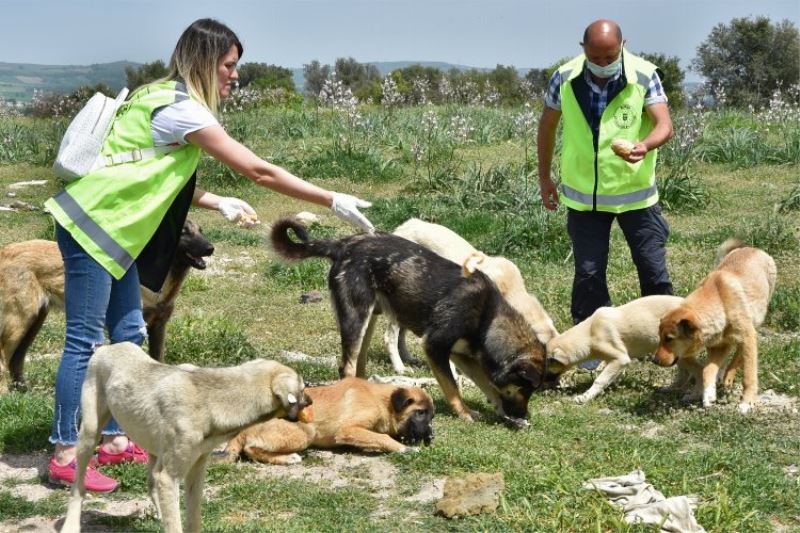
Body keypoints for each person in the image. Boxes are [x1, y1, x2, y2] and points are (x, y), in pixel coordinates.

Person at [43, 18, 374, 492]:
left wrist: (217, 201)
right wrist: (331, 199)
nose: (234, 75)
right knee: (84, 340)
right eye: (228, 65)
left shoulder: (156, 93)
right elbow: (258, 170)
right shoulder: (182, 110)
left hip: (116, 231)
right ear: (204, 61)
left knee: (129, 331)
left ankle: (115, 438)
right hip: (93, 226)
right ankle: (64, 450)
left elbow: (147, 167)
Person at [537, 19, 675, 335]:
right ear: (583, 49)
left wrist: (645, 145)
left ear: (622, 46)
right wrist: (545, 178)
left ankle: (665, 337)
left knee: (653, 270)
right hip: (585, 198)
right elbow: (546, 127)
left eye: (610, 57)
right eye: (595, 58)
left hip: (636, 195)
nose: (602, 64)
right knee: (588, 275)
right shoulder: (564, 78)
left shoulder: (644, 75)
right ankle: (592, 341)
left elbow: (664, 124)